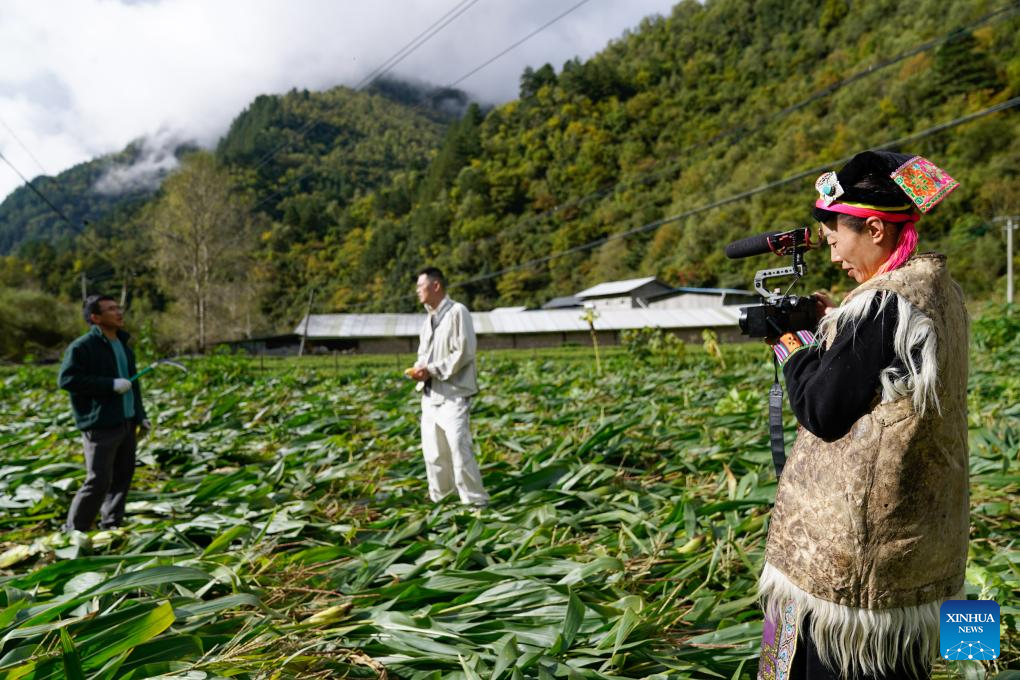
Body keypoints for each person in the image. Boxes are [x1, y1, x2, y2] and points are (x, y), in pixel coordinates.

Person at [757, 151, 967, 680]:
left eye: (835, 241)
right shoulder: (940, 290)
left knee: (833, 665)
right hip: (921, 544)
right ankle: (980, 660)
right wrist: (834, 325)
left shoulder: (881, 305)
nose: (833, 257)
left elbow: (823, 410)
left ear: (874, 228)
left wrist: (791, 344)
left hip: (850, 572)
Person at [58, 295, 150, 532]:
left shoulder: (123, 345)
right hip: (100, 424)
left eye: (118, 307)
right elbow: (68, 379)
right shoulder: (82, 347)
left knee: (122, 477)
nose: (118, 312)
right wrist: (109, 384)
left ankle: (111, 527)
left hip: (126, 421)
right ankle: (74, 531)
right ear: (95, 317)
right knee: (98, 480)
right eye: (111, 309)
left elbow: (134, 385)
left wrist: (140, 415)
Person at [406, 267, 489, 508]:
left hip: (454, 396)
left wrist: (430, 370)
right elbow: (423, 354)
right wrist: (418, 368)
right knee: (433, 454)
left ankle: (475, 503)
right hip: (430, 395)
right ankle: (442, 501)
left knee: (458, 449)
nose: (417, 292)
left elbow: (463, 352)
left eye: (420, 287)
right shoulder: (428, 320)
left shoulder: (457, 312)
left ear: (436, 286)